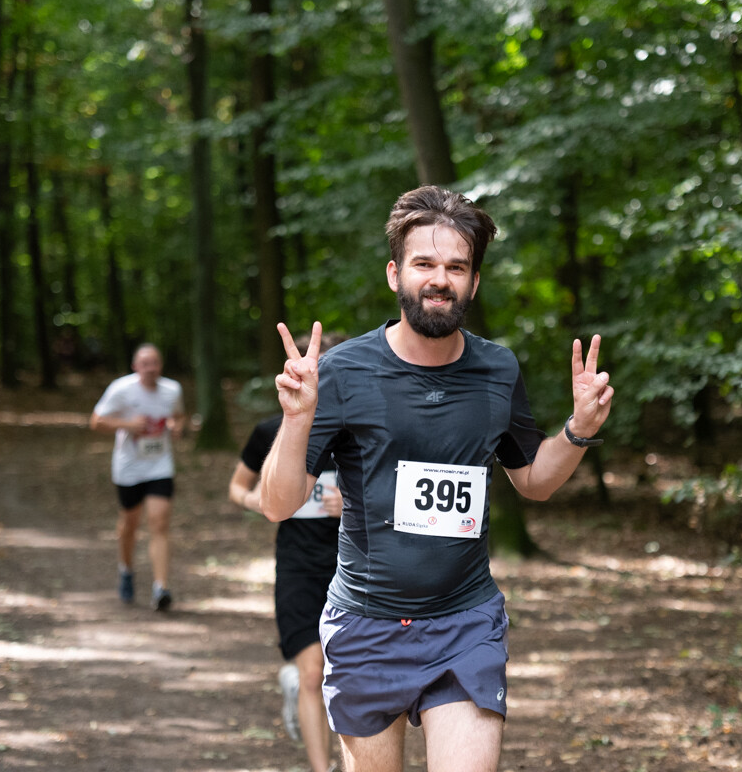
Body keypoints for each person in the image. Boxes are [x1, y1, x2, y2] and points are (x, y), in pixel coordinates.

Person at [259, 186, 615, 772]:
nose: (440, 279)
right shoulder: (345, 371)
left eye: (457, 266)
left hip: (465, 621)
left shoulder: (497, 368)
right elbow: (279, 503)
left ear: (474, 281)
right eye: (425, 264)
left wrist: (577, 429)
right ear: (396, 273)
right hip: (367, 626)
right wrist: (297, 419)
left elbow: (534, 481)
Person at [228, 331, 346, 772]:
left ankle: (301, 692)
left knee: (344, 675)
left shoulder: (359, 433)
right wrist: (262, 500)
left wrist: (350, 506)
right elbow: (237, 487)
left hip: (353, 568)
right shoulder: (271, 432)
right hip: (298, 567)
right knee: (314, 670)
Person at [90, 343, 186, 611]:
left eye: (154, 363)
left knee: (159, 523)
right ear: (135, 367)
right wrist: (128, 425)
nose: (150, 369)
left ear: (160, 366)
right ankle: (126, 570)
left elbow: (178, 416)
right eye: (145, 364)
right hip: (129, 467)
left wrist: (176, 427)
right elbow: (95, 421)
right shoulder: (121, 389)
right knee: (129, 525)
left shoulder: (172, 390)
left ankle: (161, 587)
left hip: (160, 466)